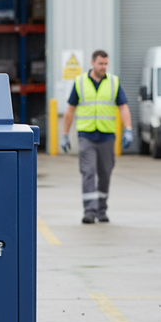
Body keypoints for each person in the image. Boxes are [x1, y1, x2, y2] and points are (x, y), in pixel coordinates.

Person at [61, 50, 133, 224]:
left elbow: (123, 107)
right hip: (86, 136)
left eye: (106, 64)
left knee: (105, 173)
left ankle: (102, 210)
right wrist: (64, 134)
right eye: (100, 63)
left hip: (107, 136)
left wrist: (128, 129)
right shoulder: (80, 82)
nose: (103, 67)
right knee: (88, 172)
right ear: (93, 63)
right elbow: (70, 109)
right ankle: (89, 211)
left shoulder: (114, 82)